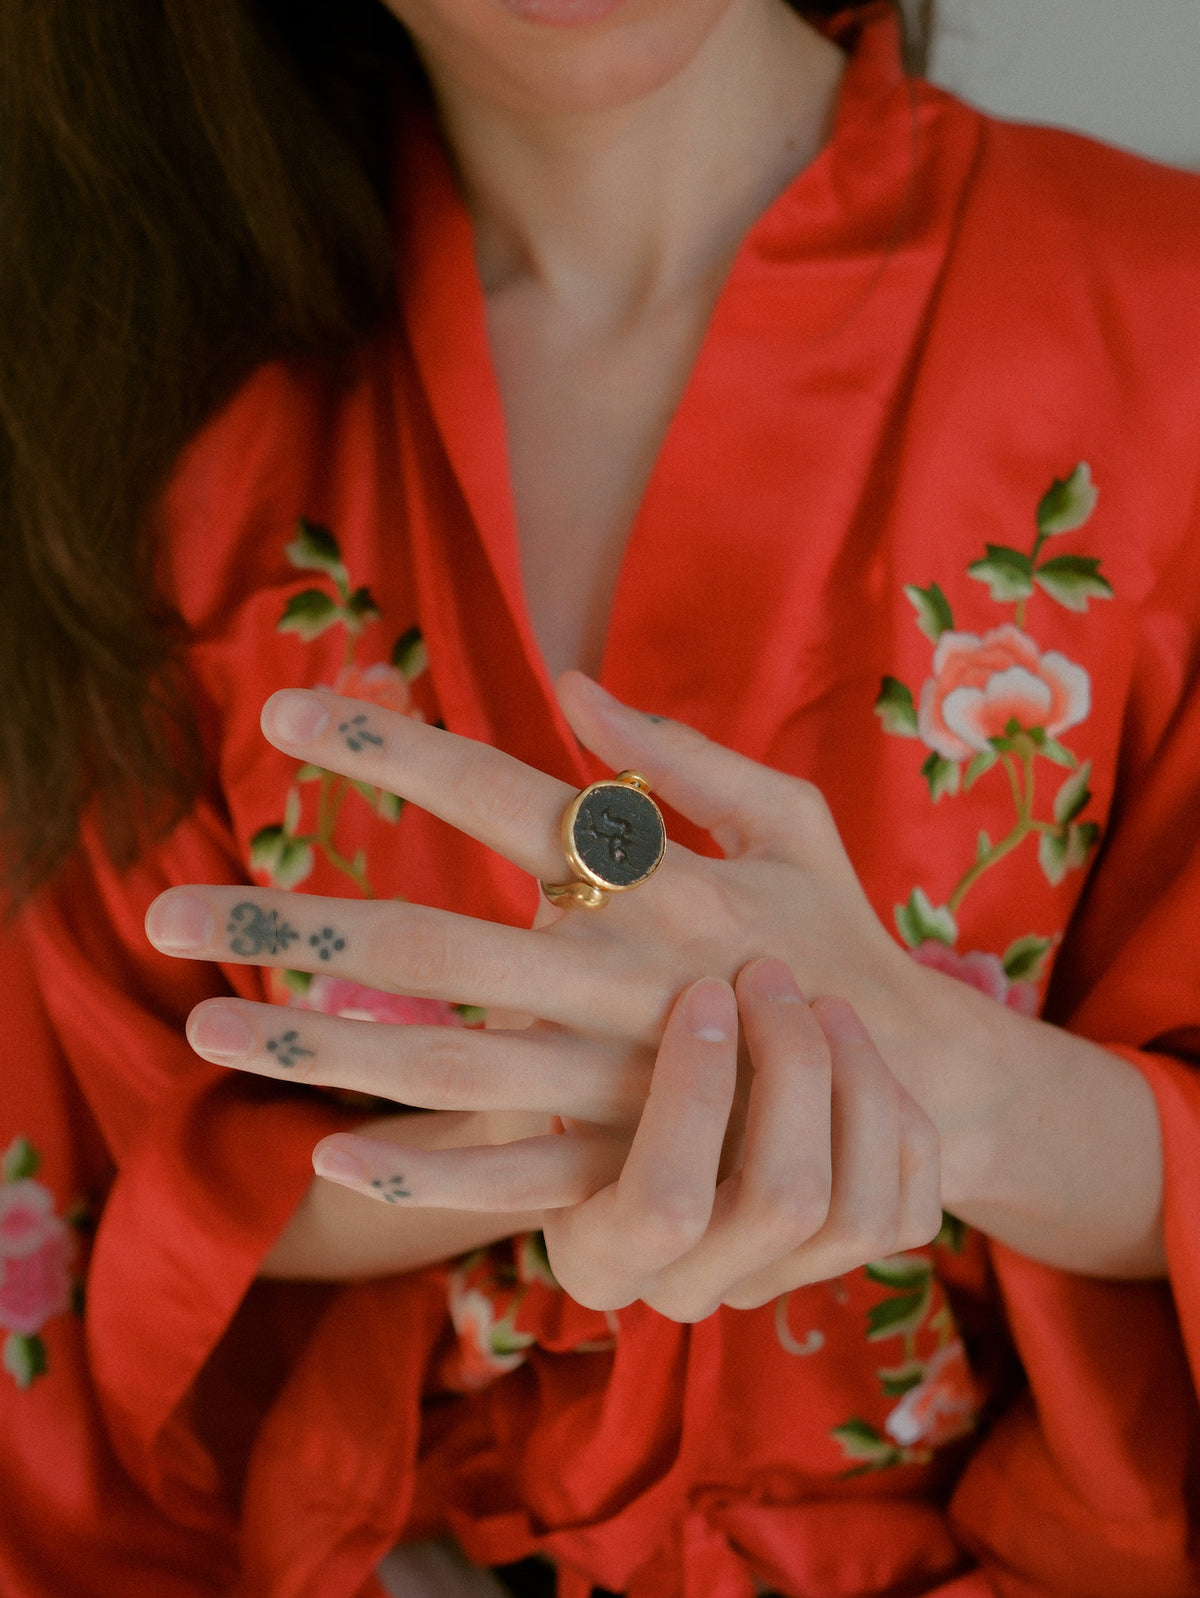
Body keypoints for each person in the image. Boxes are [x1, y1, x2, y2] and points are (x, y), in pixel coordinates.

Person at [2, 1, 1200, 1595]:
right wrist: (547, 1116)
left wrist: (939, 1083)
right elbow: (110, 1221)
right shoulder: (165, 439)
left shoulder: (1167, 322)